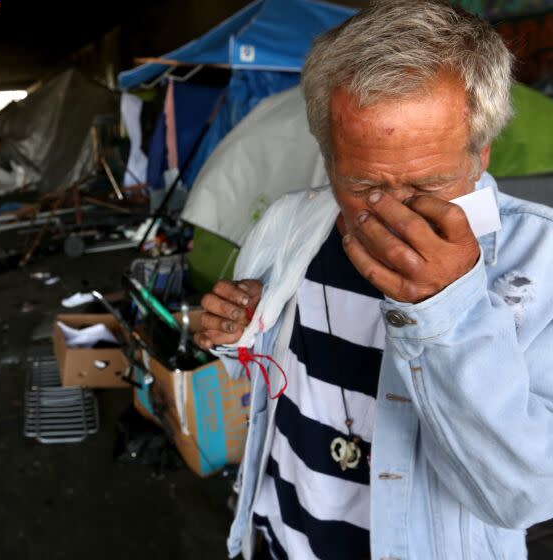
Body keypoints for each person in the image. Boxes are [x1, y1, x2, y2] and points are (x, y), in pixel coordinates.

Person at [194, 2, 553, 559]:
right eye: (362, 184)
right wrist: (240, 331)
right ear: (329, 156)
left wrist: (447, 307)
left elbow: (524, 495)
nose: (393, 211)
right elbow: (275, 369)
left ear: (480, 153)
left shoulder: (542, 264)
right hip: (279, 535)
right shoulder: (290, 222)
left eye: (430, 182)